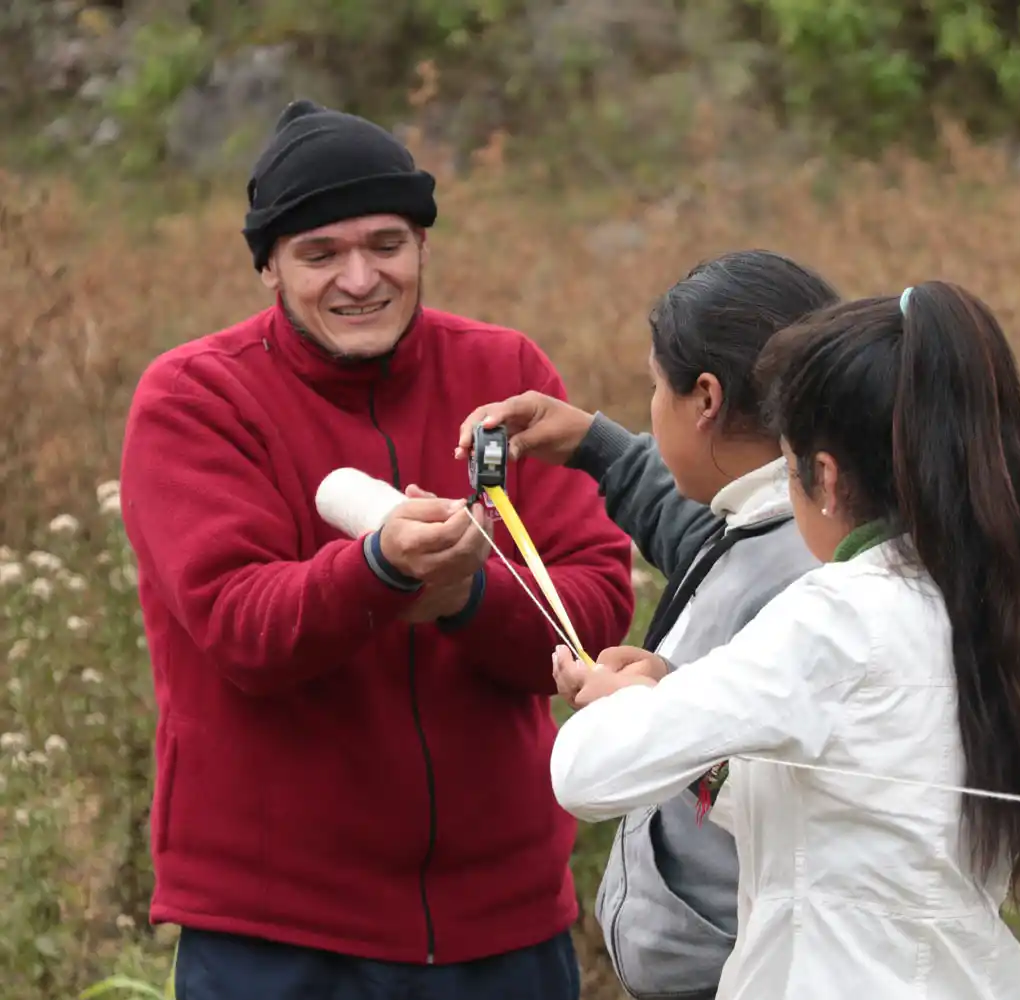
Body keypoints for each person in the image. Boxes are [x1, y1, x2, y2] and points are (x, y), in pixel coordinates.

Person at [117, 99, 635, 1000]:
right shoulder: (194, 399)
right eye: (320, 253)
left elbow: (591, 606)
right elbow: (241, 631)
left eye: (387, 244)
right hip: (278, 935)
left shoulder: (503, 375)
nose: (360, 278)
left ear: (423, 246)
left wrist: (466, 600)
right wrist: (380, 569)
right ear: (271, 266)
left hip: (503, 925)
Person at [547, 281, 1020, 999]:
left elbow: (587, 773)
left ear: (825, 477)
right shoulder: (973, 592)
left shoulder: (838, 613)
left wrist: (624, 704)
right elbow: (827, 807)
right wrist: (675, 705)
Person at [455, 249, 836, 999]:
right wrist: (594, 447)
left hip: (747, 972)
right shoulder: (783, 525)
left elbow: (693, 749)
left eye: (653, 388)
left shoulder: (804, 575)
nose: (649, 409)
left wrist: (632, 710)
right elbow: (707, 541)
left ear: (704, 398)